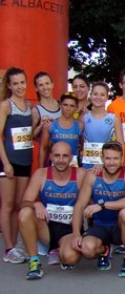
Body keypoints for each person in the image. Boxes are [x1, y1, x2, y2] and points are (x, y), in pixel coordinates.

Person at [64, 141, 125, 277]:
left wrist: (102, 205)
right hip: (99, 225)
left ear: (122, 159)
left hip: (120, 226)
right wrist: (76, 233)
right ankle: (104, 249)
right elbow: (80, 205)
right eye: (108, 158)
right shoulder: (92, 175)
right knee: (87, 250)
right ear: (102, 159)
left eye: (116, 158)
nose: (111, 163)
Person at [18, 142, 86, 280]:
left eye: (65, 156)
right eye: (57, 156)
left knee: (70, 258)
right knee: (25, 213)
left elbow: (92, 200)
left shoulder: (80, 174)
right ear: (50, 156)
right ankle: (34, 262)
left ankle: (59, 250)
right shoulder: (41, 174)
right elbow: (23, 203)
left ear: (71, 157)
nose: (61, 160)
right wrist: (35, 204)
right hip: (46, 227)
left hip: (69, 229)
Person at [0, 67, 39, 263]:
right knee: (7, 205)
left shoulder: (27, 105)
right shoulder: (5, 106)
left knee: (18, 205)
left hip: (24, 161)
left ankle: (15, 246)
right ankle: (8, 247)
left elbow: (28, 135)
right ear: (9, 85)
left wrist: (41, 126)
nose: (20, 86)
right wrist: (5, 162)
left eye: (22, 82)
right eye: (15, 83)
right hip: (8, 161)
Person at [81, 82, 123, 170]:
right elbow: (78, 139)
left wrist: (120, 165)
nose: (98, 97)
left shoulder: (114, 119)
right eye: (95, 94)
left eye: (102, 95)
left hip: (107, 166)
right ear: (90, 95)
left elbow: (120, 145)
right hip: (87, 165)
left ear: (107, 97)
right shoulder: (83, 117)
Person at [32, 72, 61, 140]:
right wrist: (40, 126)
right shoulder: (36, 110)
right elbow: (31, 136)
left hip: (65, 149)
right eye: (41, 85)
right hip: (46, 149)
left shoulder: (62, 105)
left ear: (52, 84)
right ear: (36, 88)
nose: (45, 87)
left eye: (47, 83)